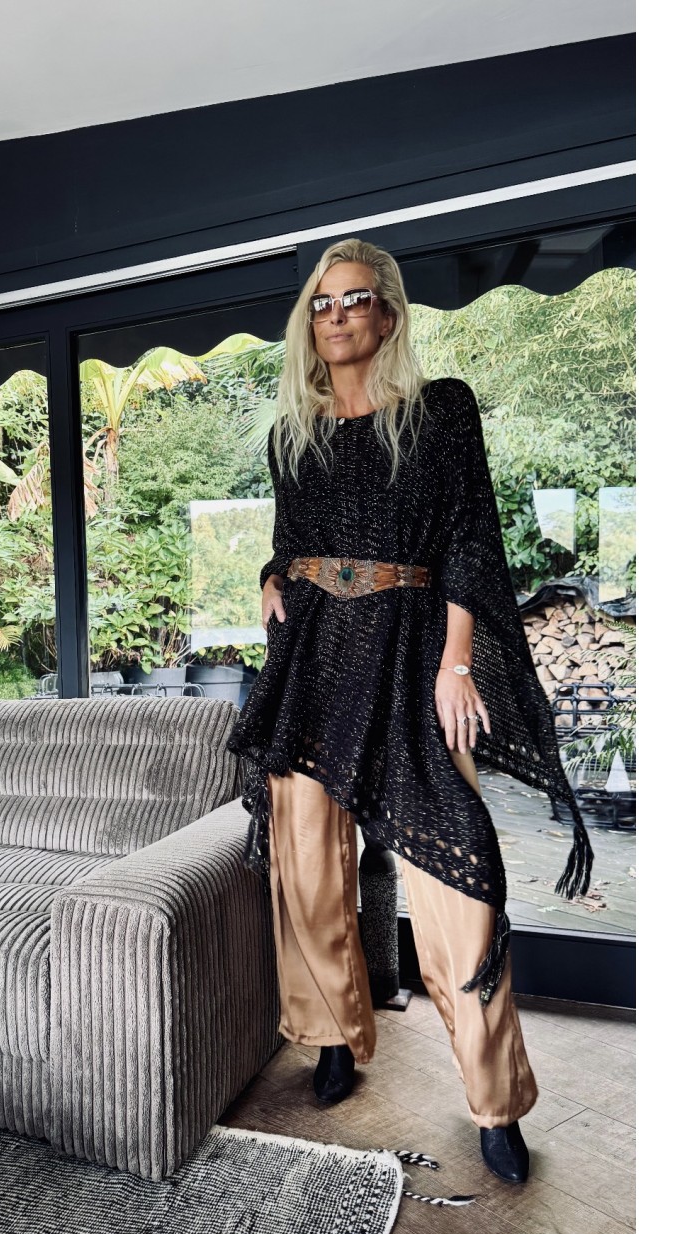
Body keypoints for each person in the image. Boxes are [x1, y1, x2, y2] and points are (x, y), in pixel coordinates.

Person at [225, 237, 594, 1185]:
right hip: (313, 662)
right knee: (308, 873)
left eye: (354, 299)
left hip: (409, 657)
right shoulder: (291, 435)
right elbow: (291, 540)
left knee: (458, 886)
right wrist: (271, 576)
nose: (336, 316)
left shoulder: (441, 412)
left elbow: (470, 538)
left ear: (387, 313)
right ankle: (330, 1036)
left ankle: (495, 1102)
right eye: (321, 303)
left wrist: (456, 662)